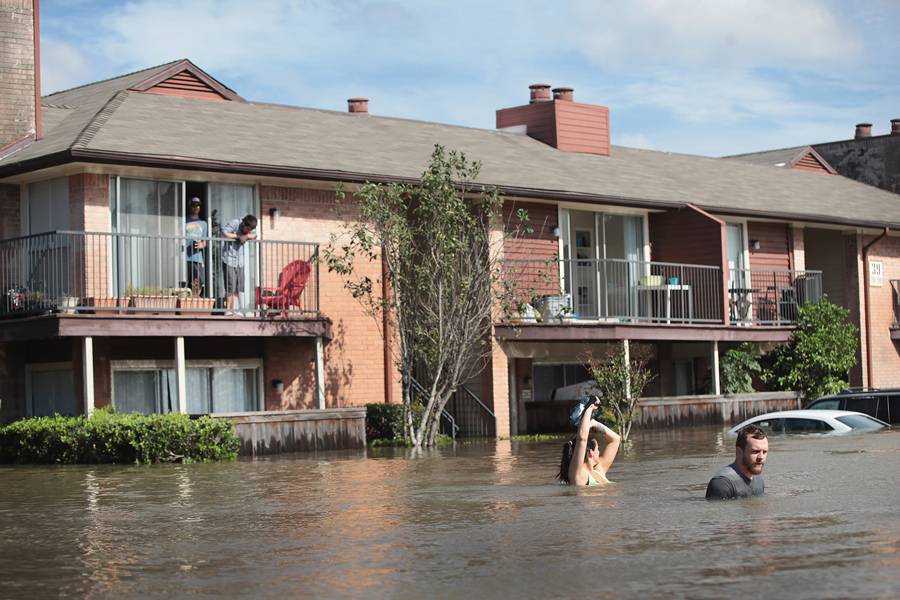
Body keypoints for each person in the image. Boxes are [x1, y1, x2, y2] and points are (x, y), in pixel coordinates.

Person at [556, 396, 621, 486]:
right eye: (597, 449)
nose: (599, 451)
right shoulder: (578, 474)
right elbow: (582, 439)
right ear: (591, 453)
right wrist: (589, 407)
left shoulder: (599, 469)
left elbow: (615, 440)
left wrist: (594, 423)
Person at [705, 424, 768, 500]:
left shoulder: (758, 479)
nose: (761, 457)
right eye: (755, 451)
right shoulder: (722, 483)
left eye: (764, 452)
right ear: (739, 451)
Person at [221, 214, 257, 316]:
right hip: (229, 259)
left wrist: (246, 236)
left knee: (237, 287)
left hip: (239, 261)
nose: (248, 231)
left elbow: (254, 235)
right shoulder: (235, 223)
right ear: (243, 223)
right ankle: (227, 310)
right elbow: (223, 233)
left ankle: (234, 310)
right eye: (247, 229)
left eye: (250, 230)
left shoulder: (249, 230)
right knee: (230, 287)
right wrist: (238, 236)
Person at [184, 198, 208, 295]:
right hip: (185, 256)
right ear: (189, 206)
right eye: (193, 205)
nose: (196, 207)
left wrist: (201, 245)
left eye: (198, 205)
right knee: (184, 281)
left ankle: (195, 302)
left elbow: (205, 242)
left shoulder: (203, 223)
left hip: (197, 258)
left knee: (198, 282)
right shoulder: (184, 220)